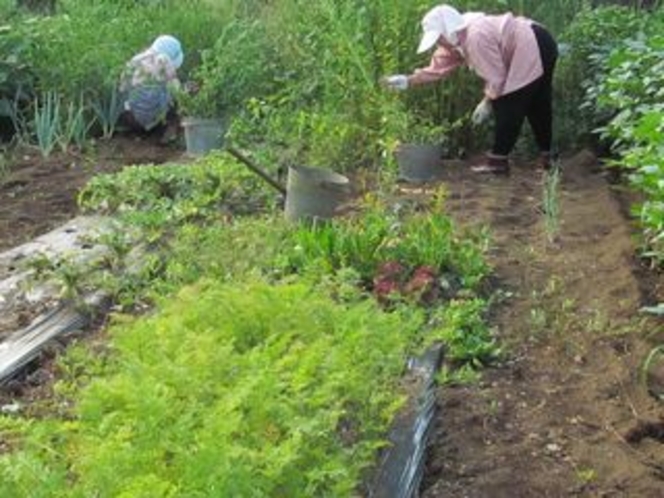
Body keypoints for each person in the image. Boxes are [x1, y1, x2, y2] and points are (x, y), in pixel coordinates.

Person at [383, 5, 558, 174]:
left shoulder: (475, 37)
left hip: (532, 43)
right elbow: (439, 67)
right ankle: (548, 158)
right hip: (539, 38)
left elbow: (497, 79)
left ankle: (498, 162)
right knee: (538, 103)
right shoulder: (457, 39)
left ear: (448, 31)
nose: (438, 43)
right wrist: (408, 80)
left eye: (438, 38)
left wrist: (487, 102)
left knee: (509, 101)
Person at [119, 35, 184, 141]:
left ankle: (136, 132)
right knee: (176, 96)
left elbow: (122, 88)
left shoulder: (136, 60)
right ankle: (170, 131)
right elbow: (178, 93)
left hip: (129, 118)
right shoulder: (165, 65)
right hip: (155, 121)